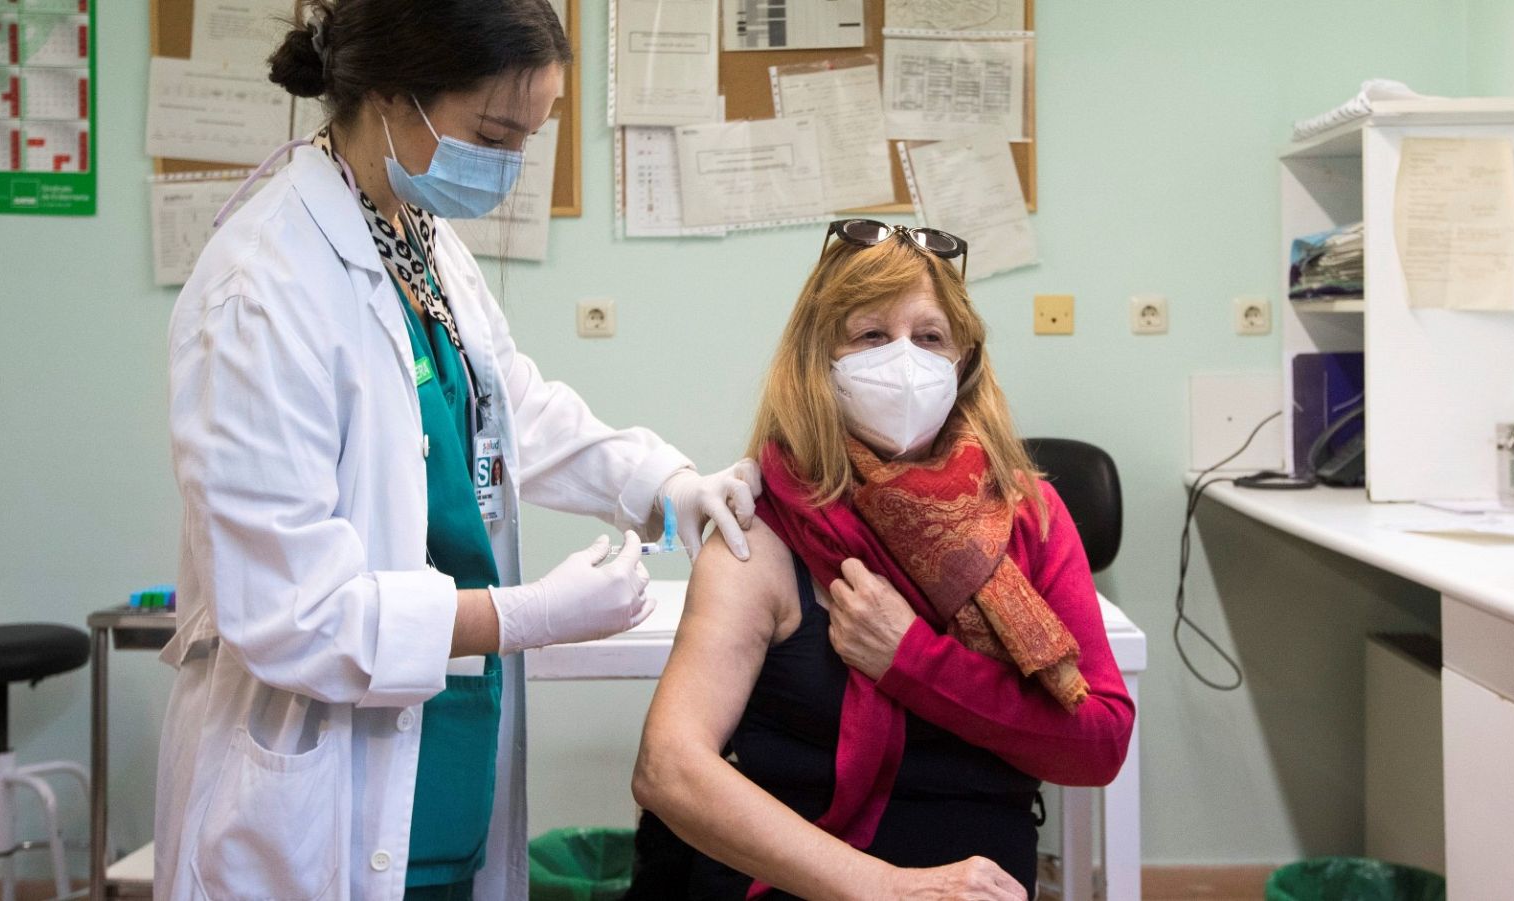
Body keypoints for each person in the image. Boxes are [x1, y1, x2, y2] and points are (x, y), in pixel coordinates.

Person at [155, 2, 759, 898]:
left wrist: (663, 481)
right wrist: (525, 617)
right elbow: (293, 613)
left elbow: (507, 410)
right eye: (493, 132)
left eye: (529, 137)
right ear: (396, 95)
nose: (510, 166)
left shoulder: (416, 236)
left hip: (448, 760)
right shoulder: (262, 288)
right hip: (318, 793)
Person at [630, 220, 1135, 900]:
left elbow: (1098, 743)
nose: (903, 362)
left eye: (929, 338)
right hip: (796, 880)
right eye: (870, 335)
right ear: (819, 359)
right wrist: (890, 888)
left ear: (963, 362)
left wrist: (913, 661)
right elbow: (669, 766)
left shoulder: (1028, 515)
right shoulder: (765, 525)